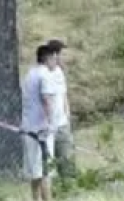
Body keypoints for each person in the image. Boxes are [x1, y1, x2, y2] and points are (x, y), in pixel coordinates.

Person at [20, 44, 60, 201]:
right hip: (42, 129)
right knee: (46, 168)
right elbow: (47, 100)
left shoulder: (30, 74)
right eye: (54, 59)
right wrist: (51, 123)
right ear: (47, 58)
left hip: (28, 126)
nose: (56, 63)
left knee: (34, 169)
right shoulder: (46, 76)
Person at [43, 39, 74, 180]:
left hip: (62, 123)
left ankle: (68, 186)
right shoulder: (42, 74)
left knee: (66, 159)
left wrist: (67, 116)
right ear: (54, 55)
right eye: (62, 54)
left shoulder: (60, 73)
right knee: (48, 163)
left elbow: (64, 95)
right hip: (47, 125)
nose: (64, 58)